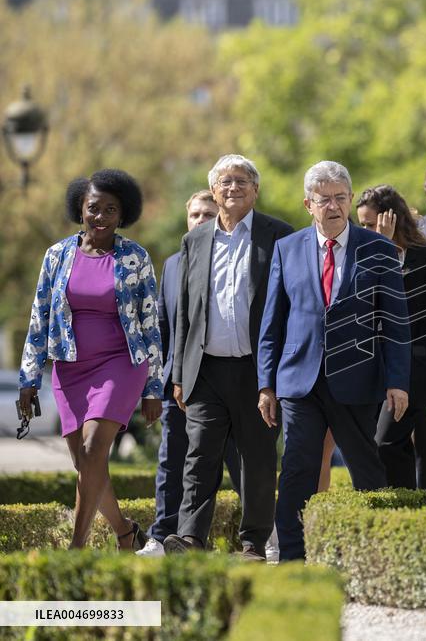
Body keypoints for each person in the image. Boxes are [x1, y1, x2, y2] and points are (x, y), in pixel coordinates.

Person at [257, 161, 410, 561]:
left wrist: (398, 381)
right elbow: (272, 322)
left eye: (341, 197)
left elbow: (395, 320)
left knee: (366, 469)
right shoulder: (287, 249)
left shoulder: (378, 248)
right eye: (324, 199)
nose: (334, 206)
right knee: (297, 468)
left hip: (357, 378)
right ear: (308, 204)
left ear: (350, 199)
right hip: (299, 380)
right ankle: (292, 556)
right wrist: (266, 384)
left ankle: (377, 554)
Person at [19, 169, 162, 549]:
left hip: (121, 363)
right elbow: (40, 316)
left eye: (110, 210)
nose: (100, 217)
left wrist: (153, 388)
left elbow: (150, 324)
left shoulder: (135, 257)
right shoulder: (57, 256)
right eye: (94, 208)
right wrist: (29, 378)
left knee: (93, 447)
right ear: (80, 208)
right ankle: (125, 533)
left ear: (123, 213)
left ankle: (76, 549)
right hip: (70, 368)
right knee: (86, 462)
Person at [164, 154, 294, 560]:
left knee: (257, 459)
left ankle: (254, 543)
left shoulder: (279, 235)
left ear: (256, 190)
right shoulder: (195, 240)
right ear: (214, 190)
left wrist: (278, 375)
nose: (233, 187)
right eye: (225, 181)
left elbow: (289, 307)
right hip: (206, 370)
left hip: (258, 370)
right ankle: (190, 538)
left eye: (241, 181)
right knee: (199, 455)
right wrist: (180, 375)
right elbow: (185, 312)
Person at [137, 190, 242, 556]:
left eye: (208, 214)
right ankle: (163, 537)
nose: (200, 220)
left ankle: (262, 537)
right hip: (178, 385)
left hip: (226, 383)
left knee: (241, 463)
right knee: (172, 463)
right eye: (195, 214)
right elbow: (163, 329)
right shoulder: (172, 265)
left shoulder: (234, 260)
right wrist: (157, 384)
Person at [356, 184, 426, 488]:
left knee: (385, 442)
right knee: (394, 444)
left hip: (414, 368)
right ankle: (406, 504)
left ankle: (404, 503)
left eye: (370, 225)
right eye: (361, 225)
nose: (365, 231)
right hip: (371, 368)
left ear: (391, 218)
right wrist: (380, 249)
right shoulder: (361, 257)